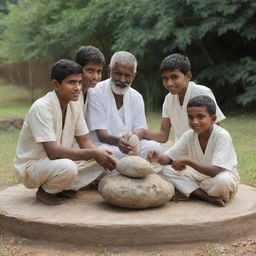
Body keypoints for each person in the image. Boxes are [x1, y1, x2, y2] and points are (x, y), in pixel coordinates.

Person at [13, 59, 116, 205]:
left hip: (55, 163)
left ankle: (63, 186)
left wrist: (110, 159)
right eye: (72, 82)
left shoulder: (75, 106)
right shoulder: (41, 107)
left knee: (101, 159)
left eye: (80, 82)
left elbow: (84, 141)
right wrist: (94, 153)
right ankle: (46, 190)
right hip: (32, 167)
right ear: (55, 84)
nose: (77, 87)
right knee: (69, 167)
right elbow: (53, 152)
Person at [147, 95, 239, 207]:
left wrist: (188, 161)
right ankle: (204, 196)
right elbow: (169, 158)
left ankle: (190, 191)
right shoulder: (189, 135)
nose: (195, 121)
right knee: (165, 171)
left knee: (223, 182)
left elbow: (215, 170)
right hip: (197, 176)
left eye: (200, 117)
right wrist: (158, 157)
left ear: (213, 119)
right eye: (190, 117)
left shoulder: (222, 136)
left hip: (219, 176)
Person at [86, 51, 161, 159]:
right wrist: (118, 142)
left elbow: (140, 130)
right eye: (118, 74)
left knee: (154, 147)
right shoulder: (95, 92)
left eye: (127, 76)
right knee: (106, 153)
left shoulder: (137, 97)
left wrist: (133, 138)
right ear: (109, 71)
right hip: (105, 146)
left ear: (133, 76)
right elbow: (101, 135)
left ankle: (128, 163)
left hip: (128, 147)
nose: (122, 80)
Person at [141, 53, 225, 143]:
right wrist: (141, 133)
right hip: (181, 149)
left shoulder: (202, 93)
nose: (169, 83)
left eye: (174, 77)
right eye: (165, 78)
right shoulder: (168, 99)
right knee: (152, 149)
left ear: (188, 76)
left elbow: (218, 131)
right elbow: (163, 136)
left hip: (204, 149)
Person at [75, 45, 105, 112]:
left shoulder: (92, 93)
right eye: (90, 70)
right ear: (78, 68)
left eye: (99, 71)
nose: (95, 77)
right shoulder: (70, 95)